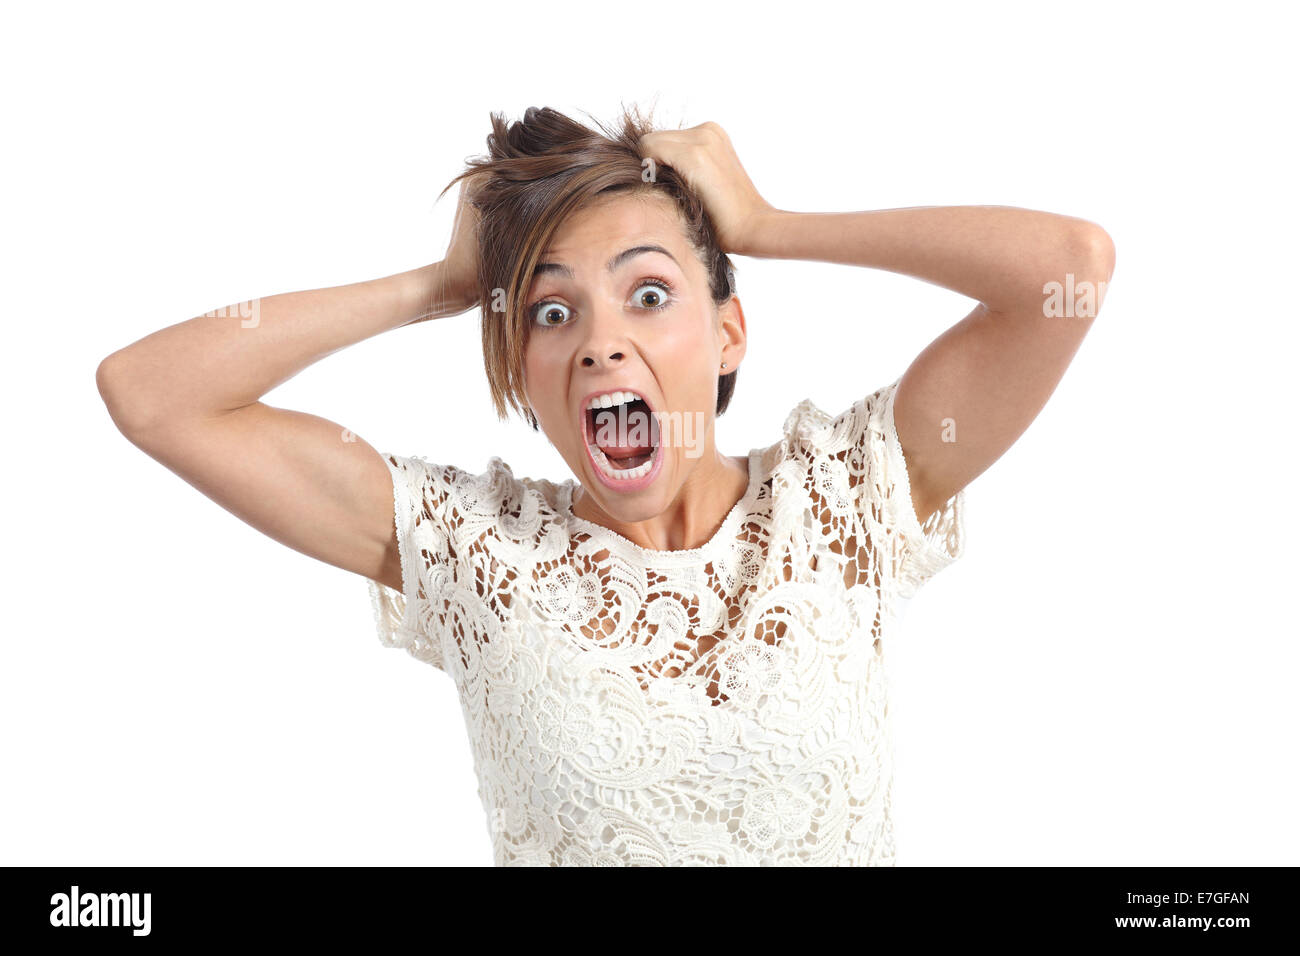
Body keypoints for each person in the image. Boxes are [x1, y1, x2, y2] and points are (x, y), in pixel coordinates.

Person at [96, 105, 1115, 865]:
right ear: (524, 374)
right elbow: (151, 395)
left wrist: (767, 224)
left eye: (649, 292)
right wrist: (446, 287)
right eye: (550, 313)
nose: (598, 343)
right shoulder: (477, 553)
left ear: (727, 333)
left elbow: (1065, 268)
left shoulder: (839, 501)